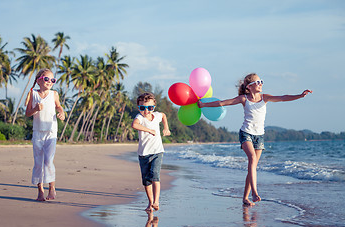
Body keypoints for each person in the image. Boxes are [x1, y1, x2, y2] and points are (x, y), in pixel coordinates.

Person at [197, 73, 312, 206]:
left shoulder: (265, 98)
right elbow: (223, 102)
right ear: (249, 87)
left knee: (253, 167)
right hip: (246, 133)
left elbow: (283, 97)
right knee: (252, 159)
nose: (261, 84)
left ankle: (245, 198)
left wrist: (300, 95)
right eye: (258, 82)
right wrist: (204, 105)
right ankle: (254, 193)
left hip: (260, 136)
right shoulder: (243, 99)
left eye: (261, 81)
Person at [25, 68, 65, 201]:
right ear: (39, 81)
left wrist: (62, 112)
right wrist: (35, 109)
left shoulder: (54, 94)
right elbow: (27, 113)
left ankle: (51, 188)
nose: (50, 82)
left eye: (52, 80)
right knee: (38, 163)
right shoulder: (33, 94)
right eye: (47, 79)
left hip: (51, 132)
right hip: (37, 133)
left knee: (48, 161)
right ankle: (40, 191)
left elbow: (58, 106)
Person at [132, 92, 171, 212]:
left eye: (150, 108)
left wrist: (166, 128)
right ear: (139, 107)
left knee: (155, 175)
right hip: (143, 153)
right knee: (146, 181)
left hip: (157, 152)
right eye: (143, 108)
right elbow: (134, 125)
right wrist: (148, 130)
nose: (146, 111)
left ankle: (156, 201)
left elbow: (164, 116)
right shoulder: (140, 117)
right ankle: (150, 203)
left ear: (154, 106)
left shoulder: (157, 116)